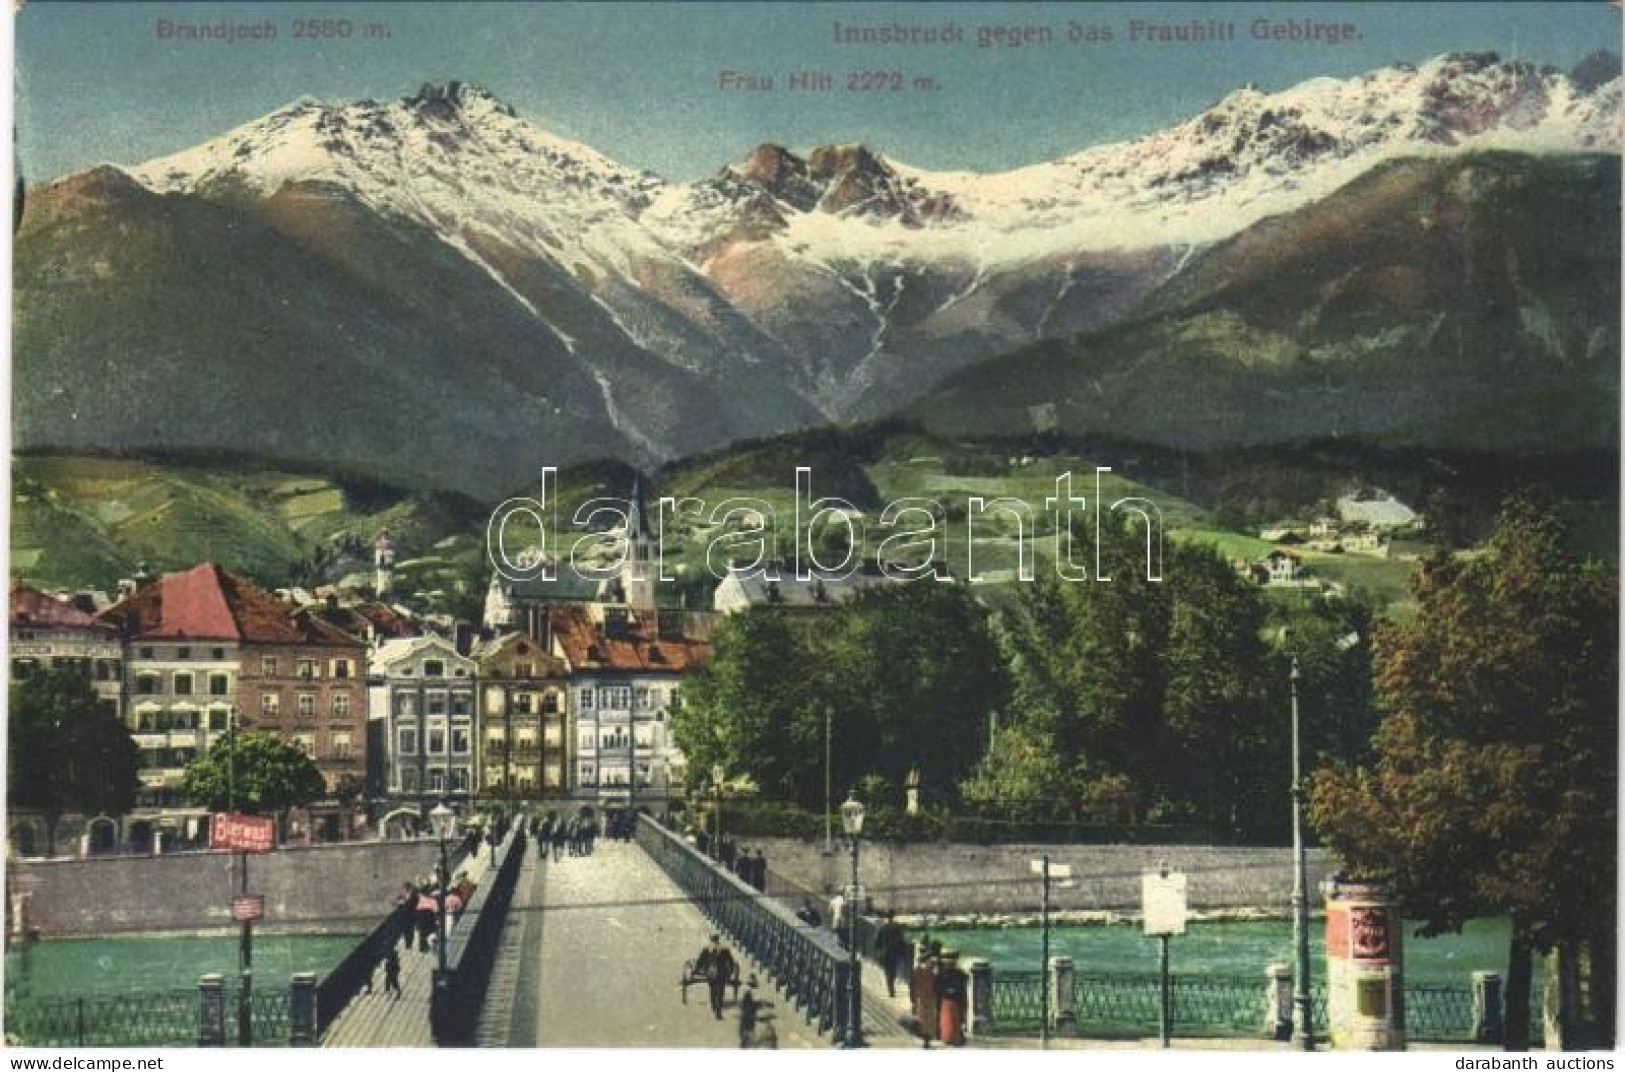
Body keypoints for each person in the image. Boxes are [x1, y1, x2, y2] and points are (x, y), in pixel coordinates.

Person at [694, 933, 737, 1021]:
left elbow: (700, 961)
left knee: (713, 989)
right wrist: (731, 972)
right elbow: (731, 962)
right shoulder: (725, 950)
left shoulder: (706, 949)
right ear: (718, 940)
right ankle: (718, 1010)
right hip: (721, 973)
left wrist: (697, 970)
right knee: (720, 992)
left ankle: (714, 1005)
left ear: (711, 940)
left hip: (710, 973)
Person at [910, 944, 939, 1048]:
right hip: (926, 997)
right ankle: (926, 1039)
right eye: (929, 961)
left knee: (925, 1019)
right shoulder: (928, 972)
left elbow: (913, 985)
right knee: (926, 1019)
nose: (931, 963)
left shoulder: (919, 970)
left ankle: (926, 1039)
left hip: (923, 996)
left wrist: (913, 998)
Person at [936, 949, 968, 1047]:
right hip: (948, 999)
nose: (950, 963)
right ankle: (949, 1038)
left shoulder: (959, 973)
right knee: (948, 1020)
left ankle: (953, 1038)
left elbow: (963, 985)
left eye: (952, 961)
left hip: (955, 999)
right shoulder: (941, 974)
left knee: (955, 1019)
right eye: (948, 961)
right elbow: (938, 987)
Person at [874, 912, 908, 998]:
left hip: (885, 953)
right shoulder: (896, 928)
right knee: (893, 970)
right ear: (893, 917)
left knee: (887, 971)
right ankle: (891, 986)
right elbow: (901, 941)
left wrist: (878, 950)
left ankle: (890, 988)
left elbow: (877, 942)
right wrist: (903, 952)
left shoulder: (882, 928)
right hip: (894, 953)